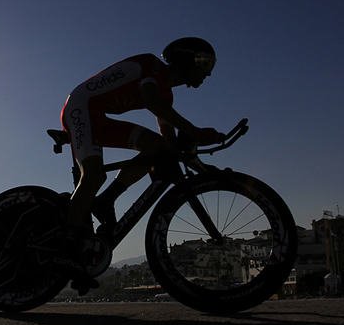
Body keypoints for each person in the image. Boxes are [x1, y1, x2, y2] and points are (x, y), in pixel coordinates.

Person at [59, 37, 225, 292]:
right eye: (205, 63)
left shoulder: (166, 94)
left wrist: (203, 169)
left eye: (210, 66)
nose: (208, 73)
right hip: (81, 106)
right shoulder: (152, 68)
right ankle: (67, 248)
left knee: (157, 147)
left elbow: (171, 146)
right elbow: (151, 101)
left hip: (99, 117)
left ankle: (105, 200)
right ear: (185, 60)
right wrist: (195, 130)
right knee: (93, 175)